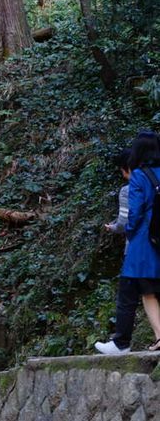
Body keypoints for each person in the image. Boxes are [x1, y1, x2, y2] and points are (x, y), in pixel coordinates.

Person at [95, 132, 160, 354]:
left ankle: (121, 342)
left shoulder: (140, 176)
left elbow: (135, 213)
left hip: (143, 242)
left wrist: (130, 234)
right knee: (149, 291)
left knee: (128, 291)